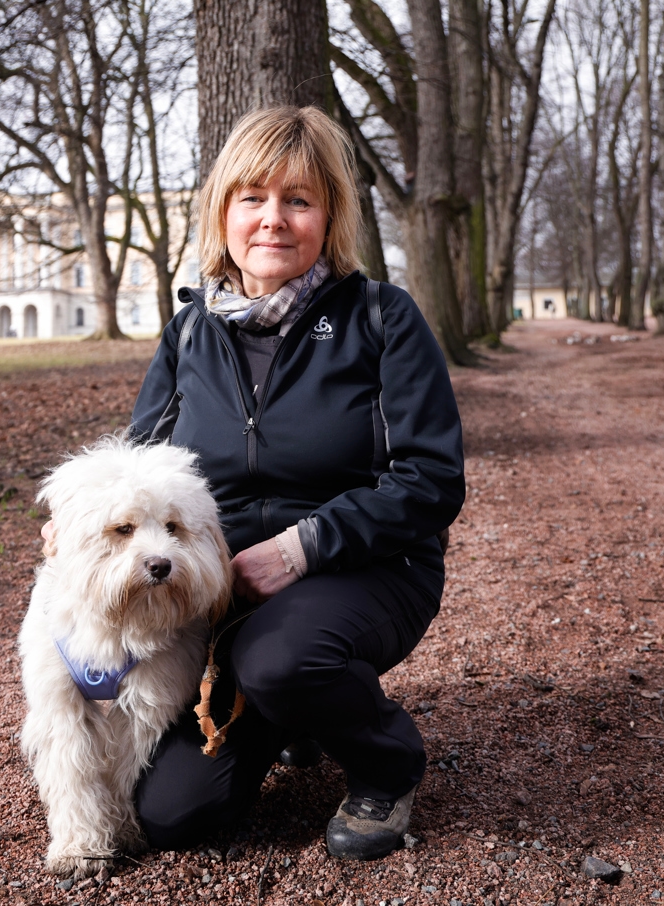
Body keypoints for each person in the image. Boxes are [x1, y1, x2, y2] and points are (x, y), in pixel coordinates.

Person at [127, 106, 465, 861]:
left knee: (282, 661)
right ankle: (296, 710)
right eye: (252, 197)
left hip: (370, 569)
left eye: (298, 199)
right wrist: (81, 520)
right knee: (175, 815)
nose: (272, 219)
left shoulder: (382, 318)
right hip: (229, 596)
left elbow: (433, 481)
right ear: (223, 212)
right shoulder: (189, 330)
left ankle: (386, 764)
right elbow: (138, 465)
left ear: (330, 216)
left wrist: (301, 547)